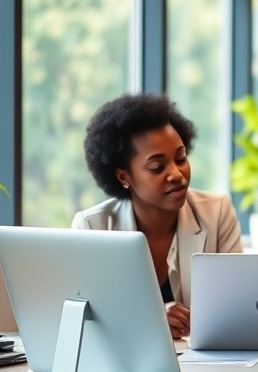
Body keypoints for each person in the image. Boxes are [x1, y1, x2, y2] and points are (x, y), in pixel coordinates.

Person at [72, 93, 243, 339]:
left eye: (181, 158)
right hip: (128, 367)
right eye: (157, 167)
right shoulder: (92, 227)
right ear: (124, 177)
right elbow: (85, 318)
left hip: (207, 366)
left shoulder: (216, 212)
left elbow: (236, 303)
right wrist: (151, 319)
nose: (177, 174)